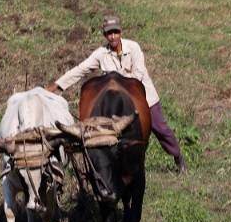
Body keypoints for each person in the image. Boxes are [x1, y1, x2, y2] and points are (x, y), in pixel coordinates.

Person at [47, 16, 187, 173]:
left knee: (160, 128)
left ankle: (178, 157)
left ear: (121, 32)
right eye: (109, 33)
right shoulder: (101, 54)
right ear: (104, 35)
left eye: (115, 32)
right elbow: (81, 69)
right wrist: (57, 86)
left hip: (144, 97)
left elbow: (138, 73)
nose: (112, 36)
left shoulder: (133, 48)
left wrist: (116, 79)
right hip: (118, 103)